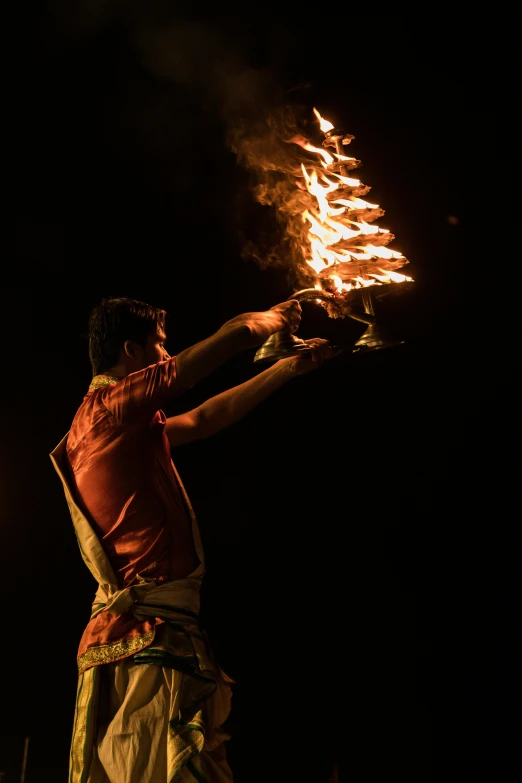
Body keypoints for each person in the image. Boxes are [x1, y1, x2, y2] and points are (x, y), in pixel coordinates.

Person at [50, 295, 336, 783]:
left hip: (156, 632)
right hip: (145, 637)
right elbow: (189, 369)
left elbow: (203, 420)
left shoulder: (121, 424)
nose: (166, 354)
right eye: (160, 344)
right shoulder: (109, 409)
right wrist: (265, 322)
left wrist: (285, 369)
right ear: (131, 351)